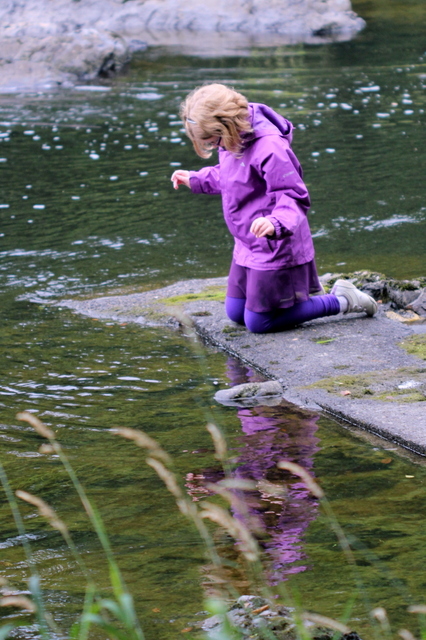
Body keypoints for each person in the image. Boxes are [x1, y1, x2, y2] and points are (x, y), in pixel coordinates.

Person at [171, 83, 377, 333]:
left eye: (213, 141)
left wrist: (276, 222)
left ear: (227, 125)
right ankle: (294, 303)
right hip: (248, 242)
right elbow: (232, 175)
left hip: (276, 243)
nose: (214, 146)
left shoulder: (270, 147)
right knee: (236, 313)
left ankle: (343, 300)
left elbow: (293, 195)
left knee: (259, 323)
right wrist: (196, 179)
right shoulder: (232, 139)